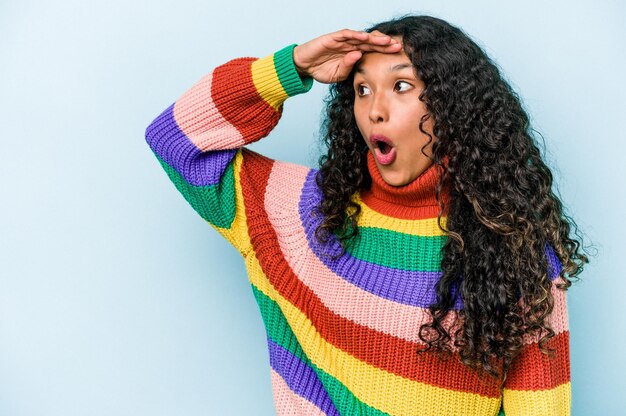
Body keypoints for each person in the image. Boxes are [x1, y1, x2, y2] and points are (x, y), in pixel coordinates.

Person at [145, 14, 588, 416]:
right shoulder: (302, 214)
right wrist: (292, 67)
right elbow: (175, 139)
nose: (375, 108)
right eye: (361, 88)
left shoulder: (512, 246)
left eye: (401, 86)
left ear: (454, 109)